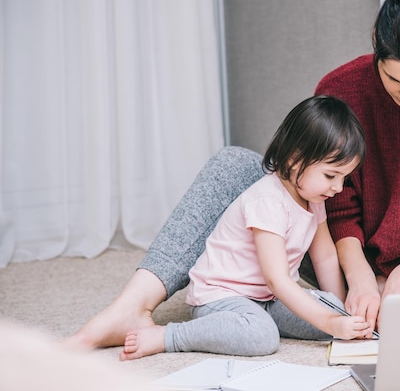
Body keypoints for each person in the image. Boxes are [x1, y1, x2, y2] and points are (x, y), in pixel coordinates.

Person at [67, 0, 400, 350]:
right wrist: (361, 277)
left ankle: (397, 305)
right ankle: (132, 307)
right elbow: (328, 199)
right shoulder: (342, 86)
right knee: (237, 166)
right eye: (395, 83)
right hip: (332, 254)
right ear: (375, 46)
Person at [118, 95, 369, 360]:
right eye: (331, 176)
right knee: (262, 336)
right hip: (222, 296)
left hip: (267, 298)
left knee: (328, 315)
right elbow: (278, 278)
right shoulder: (268, 200)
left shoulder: (314, 199)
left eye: (344, 178)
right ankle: (169, 336)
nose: (338, 188)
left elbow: (326, 257)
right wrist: (331, 323)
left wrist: (338, 313)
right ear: (296, 160)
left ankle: (267, 317)